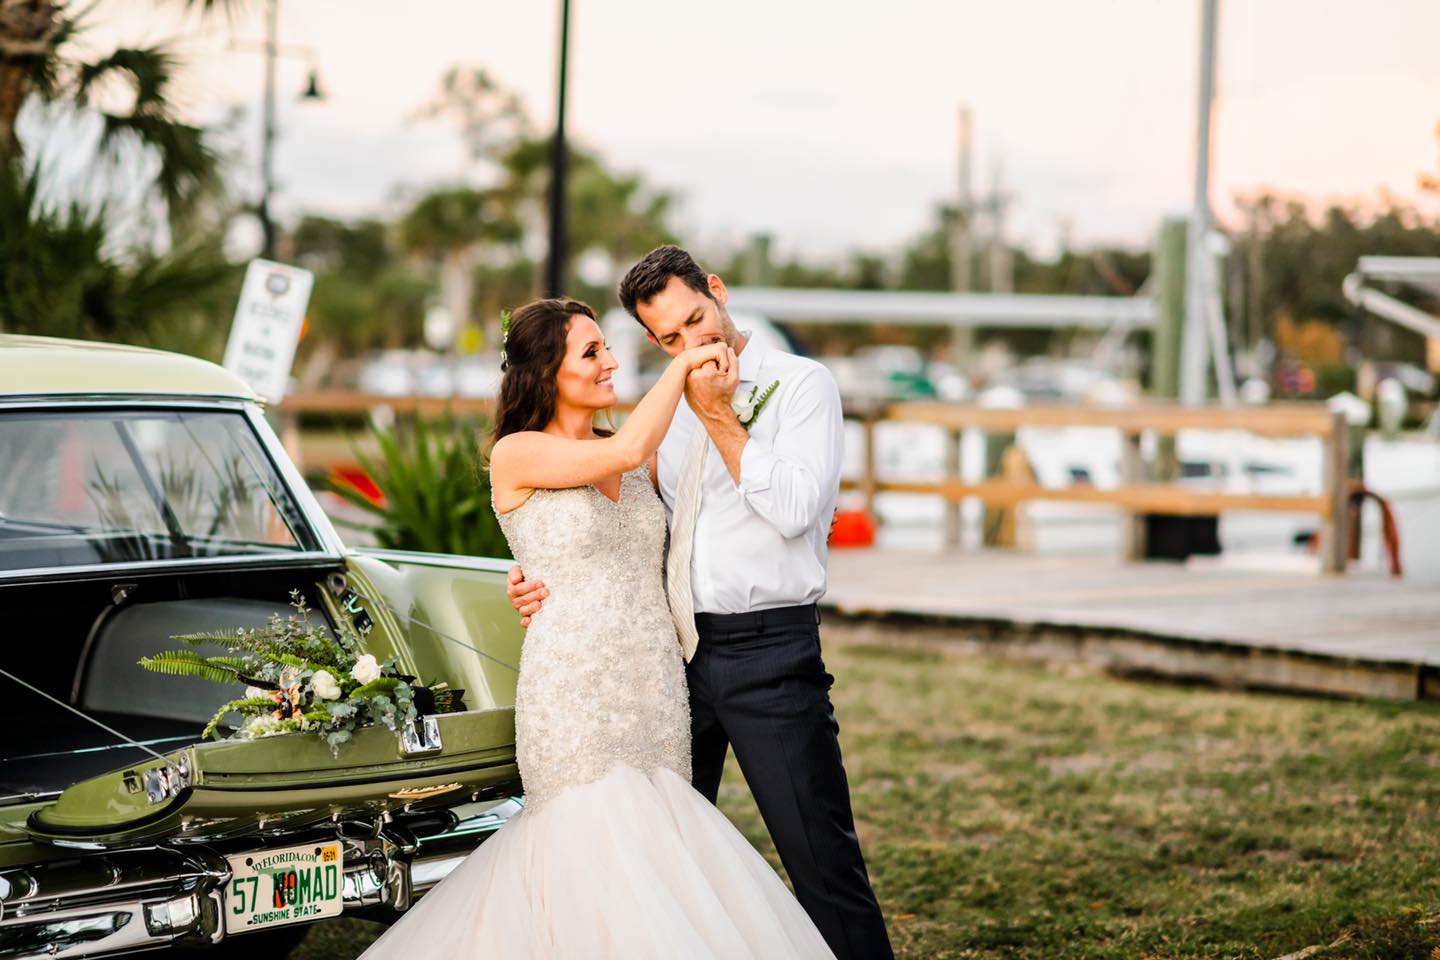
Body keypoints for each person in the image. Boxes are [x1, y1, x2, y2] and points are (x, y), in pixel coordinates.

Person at [357, 296, 835, 959]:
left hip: (657, 688)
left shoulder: (632, 457)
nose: (611, 361)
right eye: (592, 351)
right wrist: (692, 356)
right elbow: (633, 446)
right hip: (575, 689)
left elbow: (687, 528)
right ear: (546, 372)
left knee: (659, 855)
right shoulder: (519, 453)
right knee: (589, 849)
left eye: (607, 348)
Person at [508, 246, 894, 960]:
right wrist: (536, 574)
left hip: (770, 654)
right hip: (669, 664)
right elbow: (626, 524)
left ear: (717, 291)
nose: (692, 345)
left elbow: (797, 510)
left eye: (696, 319)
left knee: (823, 867)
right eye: (670, 339)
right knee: (669, 873)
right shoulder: (662, 410)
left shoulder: (804, 385)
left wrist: (718, 416)